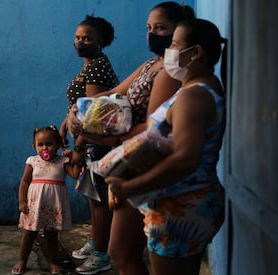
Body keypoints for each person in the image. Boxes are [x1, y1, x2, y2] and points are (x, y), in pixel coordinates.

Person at [68, 2, 196, 274]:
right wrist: (77, 110)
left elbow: (153, 129)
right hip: (128, 159)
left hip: (141, 161)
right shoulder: (152, 64)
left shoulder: (170, 73)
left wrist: (104, 141)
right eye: (149, 27)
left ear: (179, 32)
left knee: (123, 252)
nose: (152, 34)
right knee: (121, 251)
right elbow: (116, 92)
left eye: (161, 28)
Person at [105, 18, 227, 275]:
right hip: (182, 203)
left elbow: (184, 159)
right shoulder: (199, 88)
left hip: (180, 210)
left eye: (173, 45)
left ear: (195, 53)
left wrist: (129, 187)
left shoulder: (194, 96)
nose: (169, 52)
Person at [59, 15, 119, 275]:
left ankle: (103, 254)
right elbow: (79, 106)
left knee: (101, 200)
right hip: (88, 142)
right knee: (93, 198)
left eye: (87, 38)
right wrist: (64, 124)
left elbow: (93, 116)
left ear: (101, 42)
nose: (80, 42)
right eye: (78, 37)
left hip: (97, 144)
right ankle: (97, 243)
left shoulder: (97, 67)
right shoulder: (89, 65)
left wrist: (79, 147)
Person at [11, 125, 82, 275]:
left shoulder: (63, 161)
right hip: (34, 205)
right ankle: (22, 260)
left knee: (51, 235)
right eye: (40, 145)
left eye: (49, 144)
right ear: (34, 146)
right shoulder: (32, 161)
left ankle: (53, 262)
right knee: (29, 234)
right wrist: (22, 201)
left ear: (58, 145)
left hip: (53, 207)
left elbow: (75, 174)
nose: (45, 148)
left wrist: (76, 158)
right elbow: (24, 182)